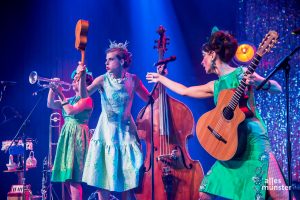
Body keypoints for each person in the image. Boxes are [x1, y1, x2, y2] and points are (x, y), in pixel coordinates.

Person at [146, 30, 290, 199]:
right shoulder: (214, 85)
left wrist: (258, 82)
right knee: (205, 192)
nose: (201, 62)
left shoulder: (242, 73)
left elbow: (277, 87)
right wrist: (161, 78)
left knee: (279, 194)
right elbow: (185, 91)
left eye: (204, 56)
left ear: (213, 55)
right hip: (231, 145)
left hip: (252, 140)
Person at [78, 41, 151, 200]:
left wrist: (161, 77)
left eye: (111, 59)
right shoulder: (103, 80)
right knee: (104, 179)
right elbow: (83, 95)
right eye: (106, 60)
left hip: (126, 133)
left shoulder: (133, 80)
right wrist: (82, 77)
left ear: (122, 61)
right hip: (106, 134)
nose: (106, 62)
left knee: (128, 179)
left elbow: (149, 99)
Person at [47, 71, 94, 200]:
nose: (73, 81)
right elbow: (50, 104)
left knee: (74, 178)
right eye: (73, 79)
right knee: (67, 178)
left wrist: (60, 93)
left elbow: (70, 111)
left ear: (85, 83)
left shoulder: (87, 100)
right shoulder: (70, 100)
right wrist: (52, 88)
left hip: (78, 137)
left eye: (77, 79)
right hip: (67, 136)